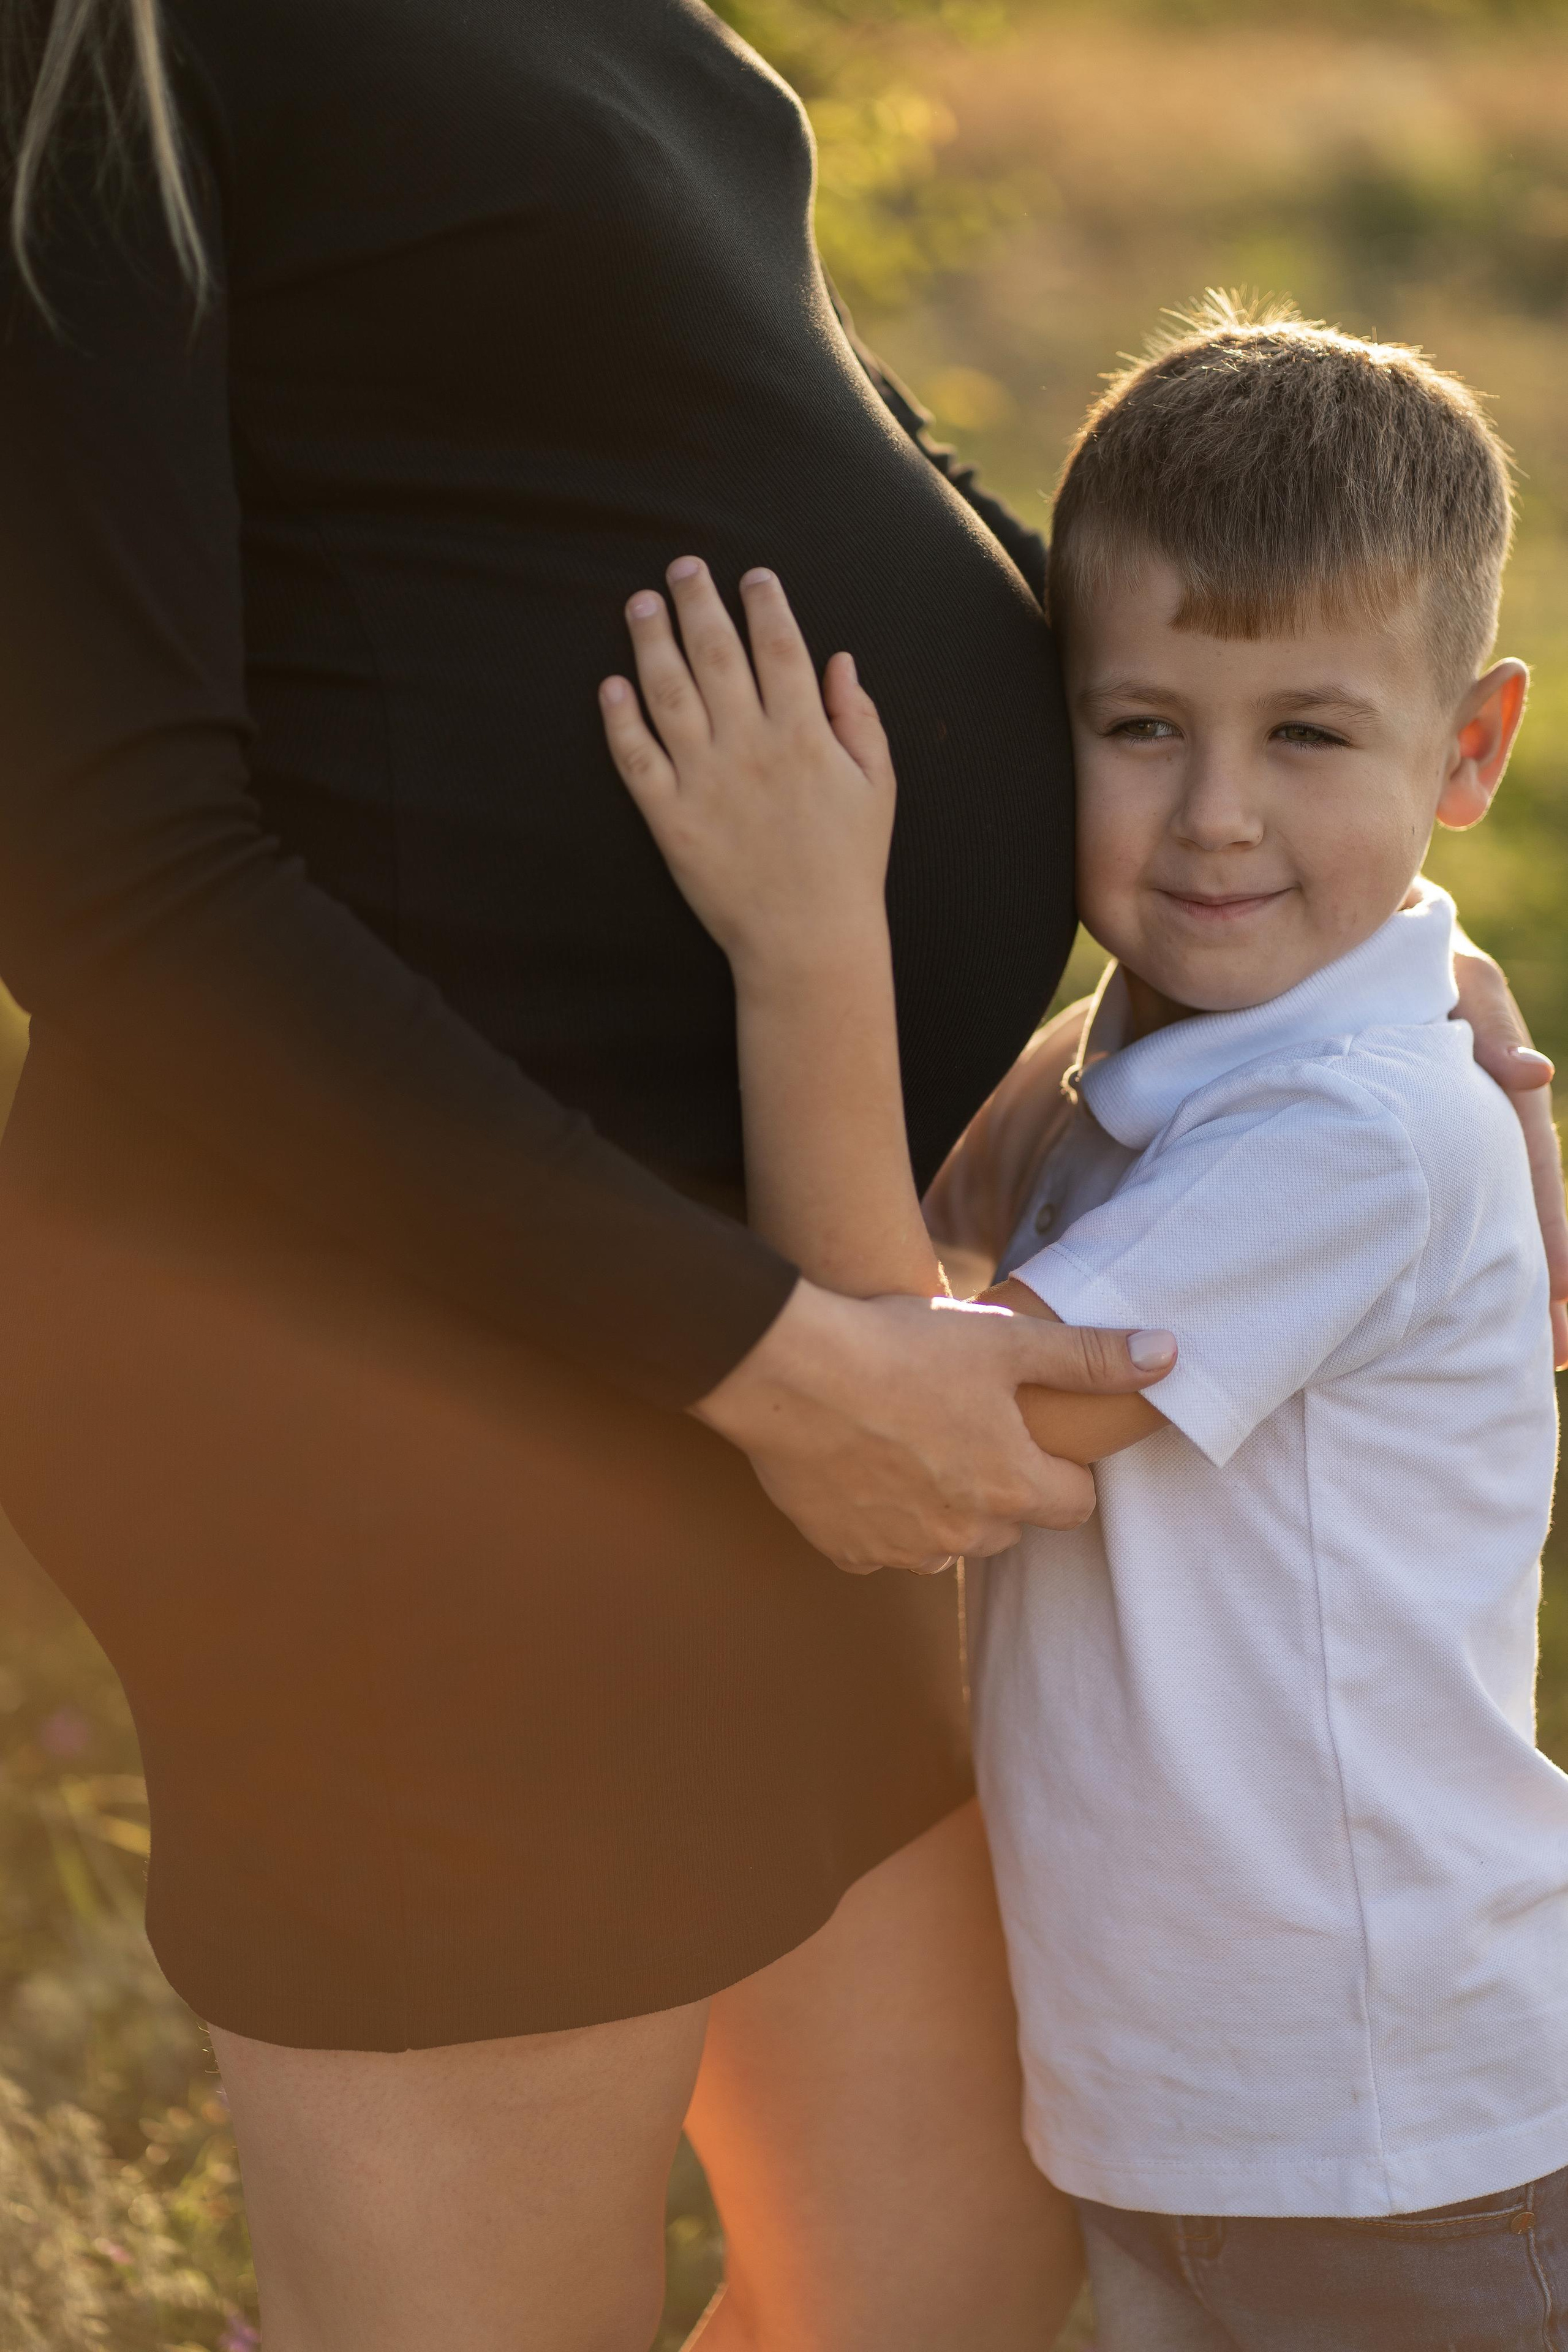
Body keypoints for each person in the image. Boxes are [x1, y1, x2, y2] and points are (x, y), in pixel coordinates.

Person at [0, 4, 1179, 2348]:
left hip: (767, 1279)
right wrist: (765, 1361)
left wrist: (1334, 960)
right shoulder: (87, 48)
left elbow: (850, 480)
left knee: (936, 2280)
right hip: (411, 1383)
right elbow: (103, 870)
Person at [597, 301, 1568, 2348]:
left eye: (1310, 737)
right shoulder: (1150, 1056)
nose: (1215, 814)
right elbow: (923, 1249)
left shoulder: (1355, 1138)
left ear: (1469, 750)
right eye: (1142, 728)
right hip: (1198, 2114)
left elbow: (927, 1425)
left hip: (1388, 2147)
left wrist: (806, 939)